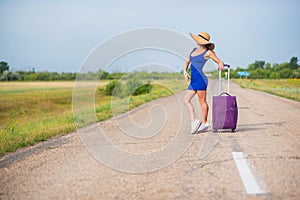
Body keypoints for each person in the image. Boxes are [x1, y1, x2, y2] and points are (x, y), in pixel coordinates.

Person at [183, 32, 224, 134]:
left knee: (202, 102)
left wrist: (220, 65)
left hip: (201, 79)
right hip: (193, 80)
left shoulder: (208, 52)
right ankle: (194, 121)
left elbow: (219, 61)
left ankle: (204, 123)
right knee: (186, 100)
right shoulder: (193, 50)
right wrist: (185, 72)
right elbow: (187, 62)